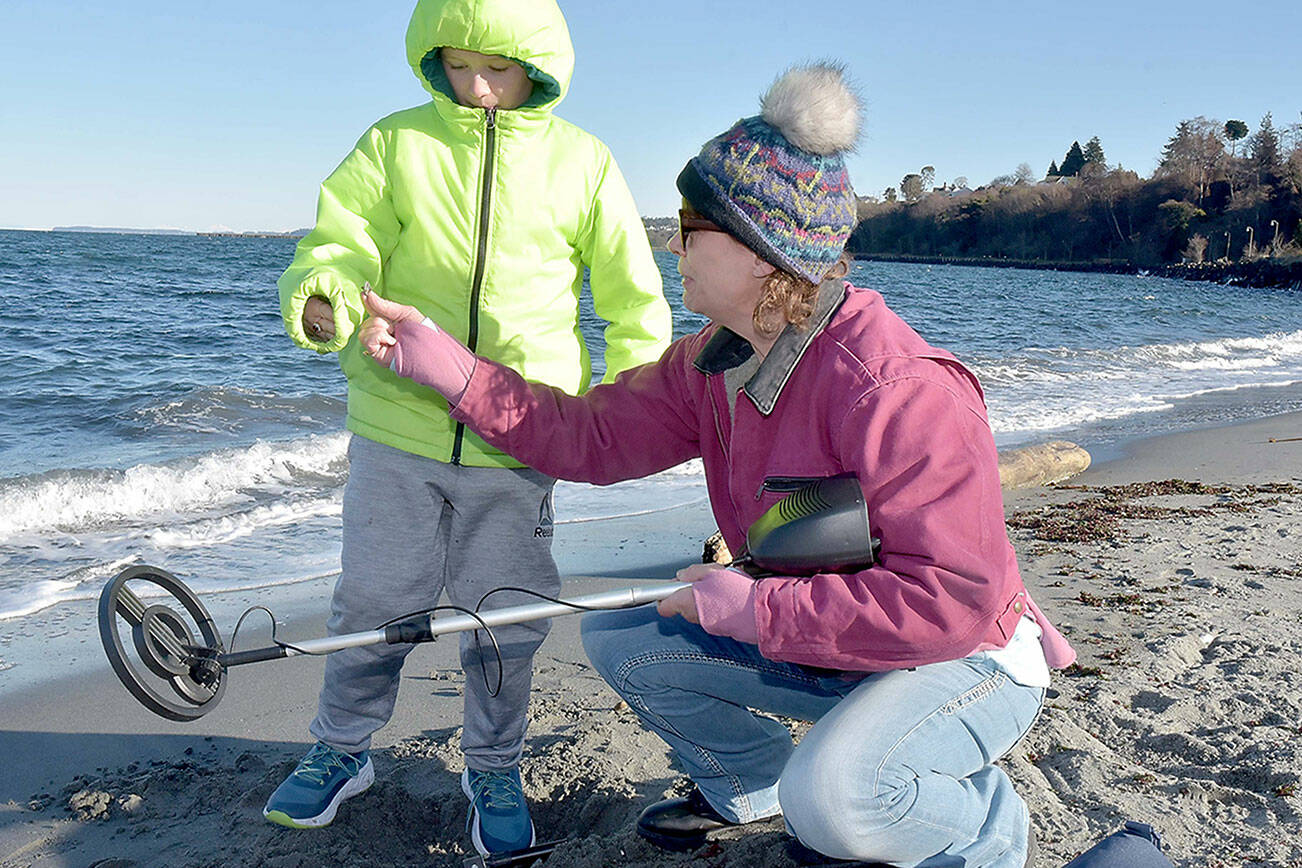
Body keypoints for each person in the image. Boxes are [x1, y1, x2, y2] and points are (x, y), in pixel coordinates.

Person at [358, 62, 1075, 867]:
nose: (674, 242)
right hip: (839, 643)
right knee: (623, 636)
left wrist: (759, 614)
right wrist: (451, 369)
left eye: (693, 225)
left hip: (967, 659)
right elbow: (591, 438)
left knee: (834, 800)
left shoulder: (899, 391)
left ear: (765, 255)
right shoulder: (714, 359)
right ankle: (749, 784)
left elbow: (951, 603)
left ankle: (982, 827)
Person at [266, 0, 672, 856]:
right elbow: (336, 247)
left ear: (540, 65)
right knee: (375, 600)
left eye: (500, 68)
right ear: (433, 57)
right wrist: (323, 304)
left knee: (505, 613)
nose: (481, 87)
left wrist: (634, 397)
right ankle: (341, 749)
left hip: (524, 437)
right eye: (460, 66)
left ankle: (492, 763)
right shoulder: (394, 144)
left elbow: (633, 298)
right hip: (396, 426)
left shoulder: (584, 162)